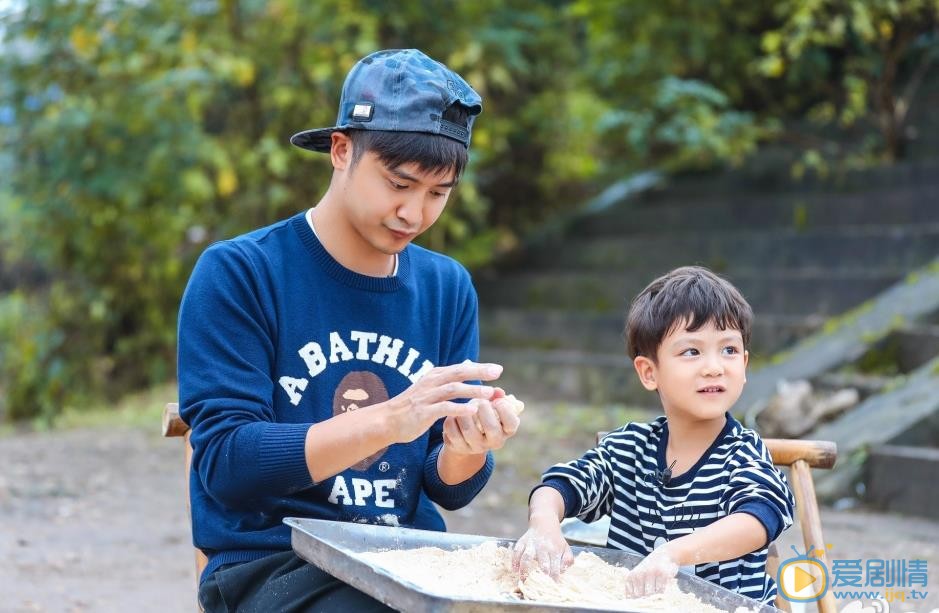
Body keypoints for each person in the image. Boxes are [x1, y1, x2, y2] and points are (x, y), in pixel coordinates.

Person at [178, 48, 523, 612]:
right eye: (398, 184)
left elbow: (448, 487)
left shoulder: (447, 288)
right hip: (274, 564)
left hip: (408, 562)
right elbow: (227, 463)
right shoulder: (242, 273)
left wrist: (468, 445)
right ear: (342, 151)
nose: (414, 213)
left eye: (438, 194)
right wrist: (389, 419)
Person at [512, 266, 795, 605]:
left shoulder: (744, 454)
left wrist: (674, 553)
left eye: (729, 350)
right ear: (649, 372)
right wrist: (543, 524)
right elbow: (561, 485)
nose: (714, 367)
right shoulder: (628, 450)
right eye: (692, 351)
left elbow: (758, 519)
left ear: (745, 365)